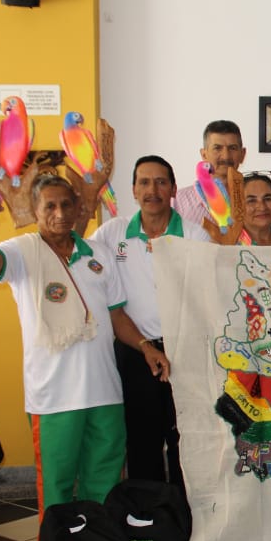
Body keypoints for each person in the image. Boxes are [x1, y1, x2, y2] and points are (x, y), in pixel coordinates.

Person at [0, 174, 171, 512]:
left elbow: (117, 315)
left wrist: (145, 347)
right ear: (35, 210)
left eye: (66, 204)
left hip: (104, 391)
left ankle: (101, 540)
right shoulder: (22, 251)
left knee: (105, 481)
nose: (60, 213)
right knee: (57, 485)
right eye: (50, 206)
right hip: (54, 396)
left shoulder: (99, 254)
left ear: (79, 207)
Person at [91, 156, 204, 487]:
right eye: (144, 182)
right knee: (141, 442)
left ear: (173, 188)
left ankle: (184, 514)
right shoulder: (111, 234)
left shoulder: (195, 236)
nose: (152, 190)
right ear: (133, 189)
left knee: (187, 443)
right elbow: (84, 267)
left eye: (161, 182)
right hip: (134, 352)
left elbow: (206, 297)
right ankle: (147, 514)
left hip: (184, 353)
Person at [174, 120, 271, 233]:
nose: (226, 156)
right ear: (204, 154)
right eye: (217, 148)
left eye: (232, 148)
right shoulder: (179, 201)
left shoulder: (264, 200)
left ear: (243, 154)